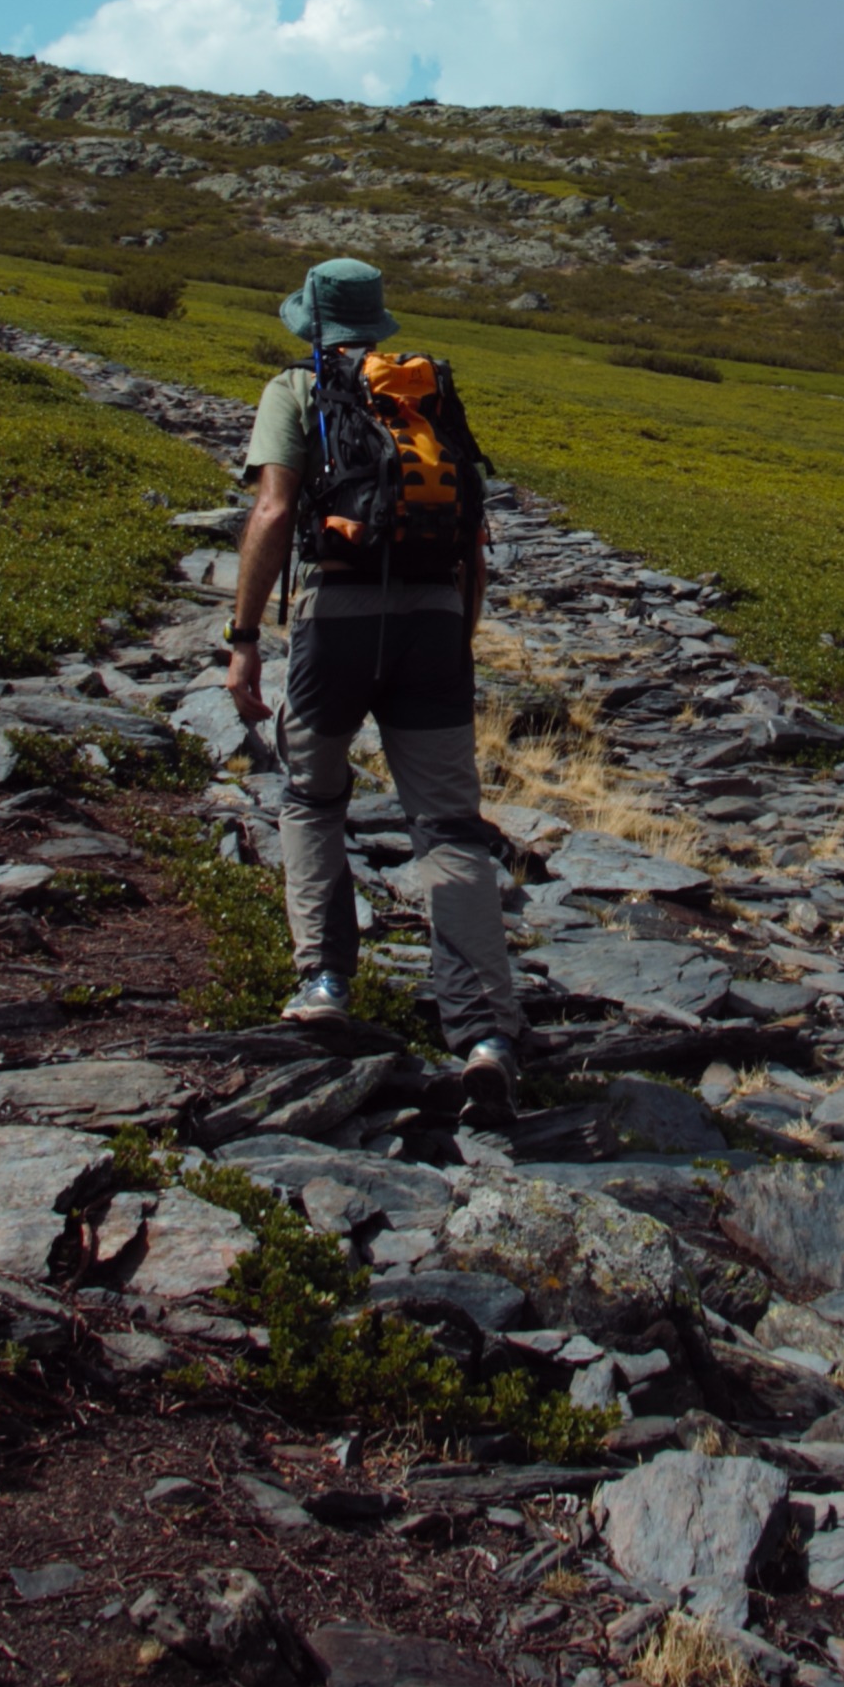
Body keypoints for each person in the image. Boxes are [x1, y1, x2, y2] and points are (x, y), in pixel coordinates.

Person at [224, 255, 522, 1125]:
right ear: (377, 319)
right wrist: (458, 637)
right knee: (449, 826)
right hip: (435, 625)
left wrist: (243, 639)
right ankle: (486, 1035)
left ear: (312, 321)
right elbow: (471, 530)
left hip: (337, 624)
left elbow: (274, 513)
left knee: (313, 799)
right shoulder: (427, 392)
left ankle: (324, 983)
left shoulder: (296, 389)